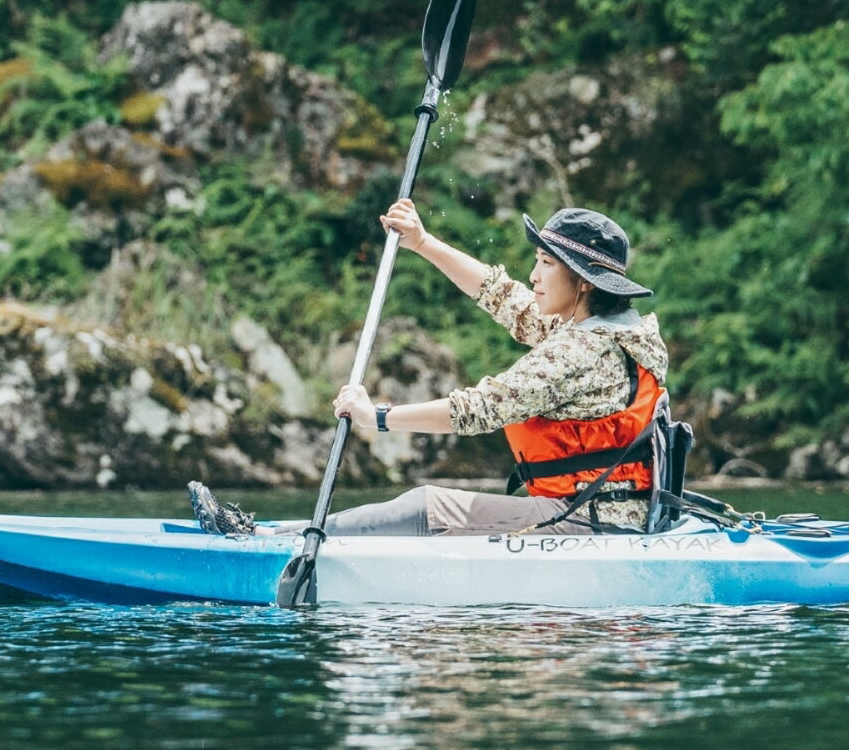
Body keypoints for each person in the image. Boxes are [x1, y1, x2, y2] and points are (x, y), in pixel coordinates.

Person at [188, 200, 669, 537]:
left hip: (588, 519)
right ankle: (284, 530)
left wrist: (376, 417)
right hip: (603, 508)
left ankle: (270, 539)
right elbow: (502, 296)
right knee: (426, 506)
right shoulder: (608, 332)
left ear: (583, 282)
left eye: (545, 263)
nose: (533, 275)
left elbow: (480, 408)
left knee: (426, 506)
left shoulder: (579, 352)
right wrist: (422, 242)